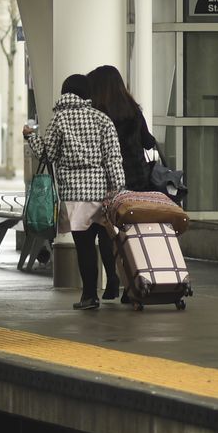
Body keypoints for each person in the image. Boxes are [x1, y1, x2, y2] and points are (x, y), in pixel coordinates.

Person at [24, 74, 124, 310]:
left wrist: (30, 137)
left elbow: (48, 154)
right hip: (101, 190)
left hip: (74, 193)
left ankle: (89, 295)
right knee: (106, 238)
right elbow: (113, 157)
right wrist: (117, 188)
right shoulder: (102, 119)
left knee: (85, 246)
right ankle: (112, 281)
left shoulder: (60, 119)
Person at [86, 65, 159, 300]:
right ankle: (132, 283)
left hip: (106, 181)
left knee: (105, 232)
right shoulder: (133, 110)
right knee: (131, 232)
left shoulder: (97, 112)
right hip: (137, 180)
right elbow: (149, 142)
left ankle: (112, 280)